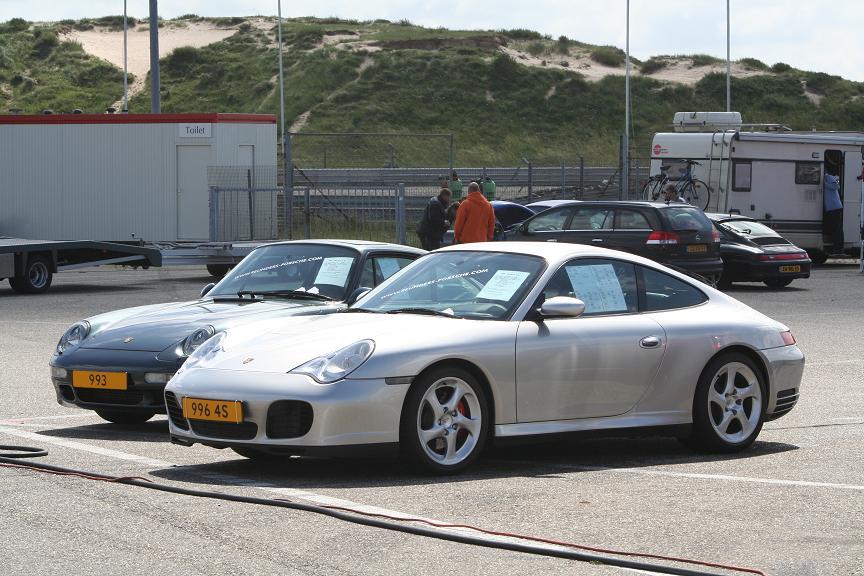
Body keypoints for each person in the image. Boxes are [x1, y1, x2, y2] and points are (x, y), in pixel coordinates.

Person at [823, 171, 844, 255]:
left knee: (837, 229)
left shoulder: (828, 177)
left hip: (835, 207)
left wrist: (825, 184)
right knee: (835, 228)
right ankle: (837, 248)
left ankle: (839, 249)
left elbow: (836, 186)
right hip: (832, 208)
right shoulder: (827, 178)